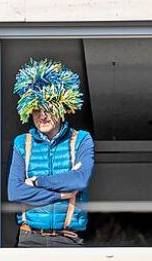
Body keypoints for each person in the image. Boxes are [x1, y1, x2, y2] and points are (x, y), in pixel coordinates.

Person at [6, 58, 95, 247]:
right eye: (36, 109)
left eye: (48, 108)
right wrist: (61, 194)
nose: (42, 115)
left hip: (69, 239)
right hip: (29, 239)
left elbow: (80, 180)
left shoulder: (81, 140)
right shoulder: (22, 143)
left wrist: (38, 181)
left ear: (60, 107)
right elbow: (15, 192)